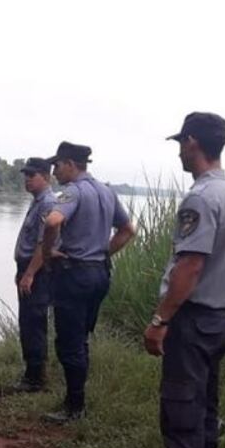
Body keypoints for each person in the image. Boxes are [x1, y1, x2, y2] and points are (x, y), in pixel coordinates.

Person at [137, 112, 225, 448]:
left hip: (194, 319)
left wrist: (160, 320)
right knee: (205, 406)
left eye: (180, 144)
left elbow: (190, 266)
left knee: (182, 409)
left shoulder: (201, 198)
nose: (180, 153)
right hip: (220, 317)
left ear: (191, 142)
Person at [40, 141, 136, 422]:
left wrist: (47, 253)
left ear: (71, 164)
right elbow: (128, 230)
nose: (54, 171)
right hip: (99, 273)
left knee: (69, 341)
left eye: (57, 165)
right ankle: (76, 400)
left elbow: (52, 222)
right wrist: (102, 252)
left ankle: (74, 407)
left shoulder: (71, 192)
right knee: (81, 338)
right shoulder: (107, 191)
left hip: (74, 275)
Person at [12, 157, 56, 392]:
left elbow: (42, 245)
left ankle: (35, 379)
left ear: (46, 177)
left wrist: (29, 274)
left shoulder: (47, 203)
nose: (27, 179)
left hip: (35, 272)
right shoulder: (37, 201)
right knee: (28, 321)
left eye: (32, 175)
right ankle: (33, 374)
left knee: (33, 322)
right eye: (25, 175)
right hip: (28, 269)